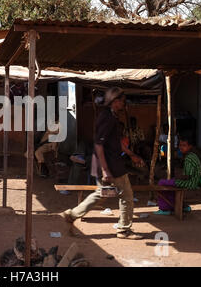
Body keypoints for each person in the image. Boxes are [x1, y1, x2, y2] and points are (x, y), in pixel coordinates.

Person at [62, 87, 145, 240]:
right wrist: (106, 170)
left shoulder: (111, 117)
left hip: (109, 163)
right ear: (115, 102)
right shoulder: (106, 118)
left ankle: (72, 214)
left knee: (102, 194)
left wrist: (131, 154)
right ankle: (124, 229)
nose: (124, 104)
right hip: (110, 165)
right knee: (126, 195)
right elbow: (98, 145)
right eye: (122, 101)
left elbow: (116, 142)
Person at [155, 136, 201, 214]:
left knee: (162, 183)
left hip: (190, 183)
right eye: (180, 145)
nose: (181, 147)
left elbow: (187, 176)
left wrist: (175, 179)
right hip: (193, 181)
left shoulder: (189, 158)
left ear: (190, 147)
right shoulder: (192, 155)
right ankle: (183, 206)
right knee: (170, 183)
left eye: (184, 145)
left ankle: (165, 209)